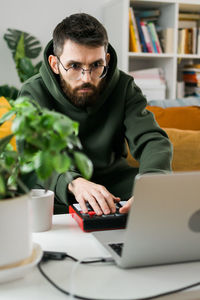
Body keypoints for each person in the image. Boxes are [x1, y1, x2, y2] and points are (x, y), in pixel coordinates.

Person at [19, 13, 172, 215]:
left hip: (115, 188)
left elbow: (152, 139)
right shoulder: (33, 91)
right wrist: (73, 182)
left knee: (164, 198)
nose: (87, 78)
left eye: (96, 65)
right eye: (74, 66)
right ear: (55, 64)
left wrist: (152, 184)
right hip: (60, 191)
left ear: (106, 60)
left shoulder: (124, 86)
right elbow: (32, 156)